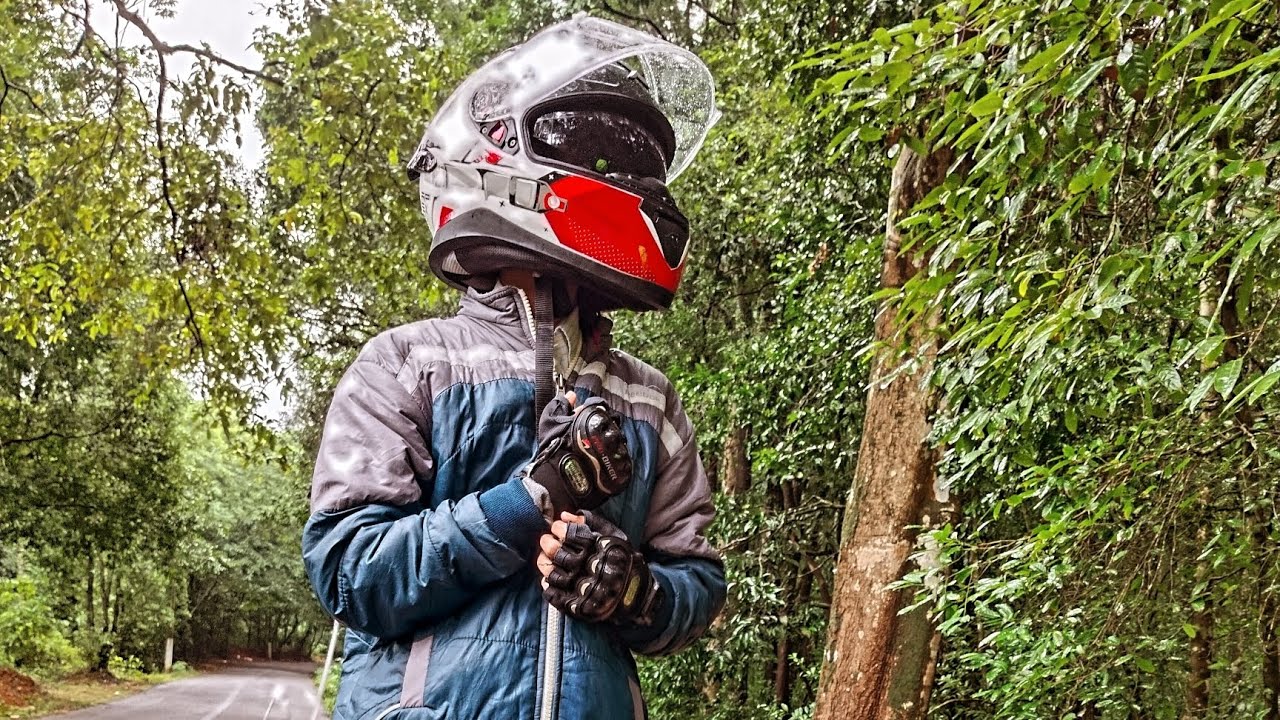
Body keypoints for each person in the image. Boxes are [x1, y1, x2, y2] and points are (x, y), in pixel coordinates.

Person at [302, 15, 724, 720]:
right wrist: (528, 500)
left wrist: (636, 593)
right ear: (494, 166)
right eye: (594, 156)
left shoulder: (648, 398)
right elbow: (351, 573)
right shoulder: (406, 363)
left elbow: (698, 585)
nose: (618, 179)